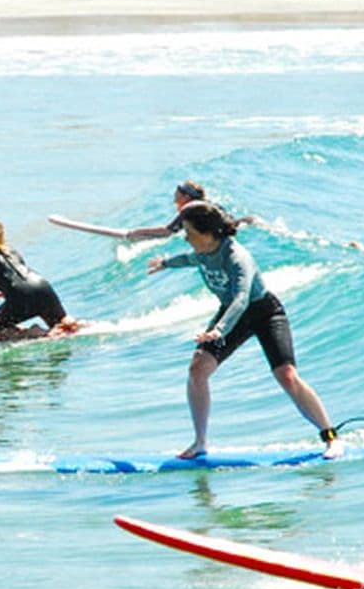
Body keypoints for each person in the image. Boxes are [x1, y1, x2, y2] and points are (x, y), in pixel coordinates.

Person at [148, 201, 338, 459]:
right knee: (198, 368)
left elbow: (241, 298)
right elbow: (190, 259)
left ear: (207, 233)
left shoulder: (237, 257)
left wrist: (220, 330)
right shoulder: (204, 251)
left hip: (263, 311)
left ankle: (330, 437)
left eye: (190, 232)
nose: (186, 237)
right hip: (232, 313)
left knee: (287, 375)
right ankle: (200, 442)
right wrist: (166, 263)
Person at [0, 221, 82, 344]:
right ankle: (73, 323)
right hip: (44, 288)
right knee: (61, 323)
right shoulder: (12, 252)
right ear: (1, 236)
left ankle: (34, 332)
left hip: (22, 297)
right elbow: (20, 280)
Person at [121, 180, 263, 243]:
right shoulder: (205, 204)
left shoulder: (190, 209)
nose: (174, 197)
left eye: (177, 194)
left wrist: (135, 232)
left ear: (186, 197)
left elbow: (168, 231)